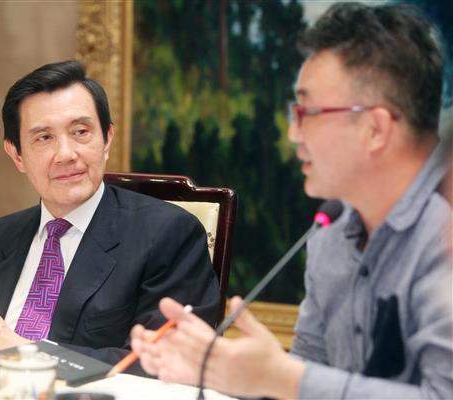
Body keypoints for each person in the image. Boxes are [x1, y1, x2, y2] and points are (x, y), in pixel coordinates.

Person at [131, 2, 453, 398]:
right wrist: (218, 373)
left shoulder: (444, 235)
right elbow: (305, 377)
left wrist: (281, 377)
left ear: (375, 128)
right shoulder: (331, 235)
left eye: (307, 112)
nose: (292, 134)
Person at [0, 61, 220, 369]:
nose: (66, 154)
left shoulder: (168, 235)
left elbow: (171, 359)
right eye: (44, 138)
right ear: (16, 155)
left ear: (107, 139)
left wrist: (23, 350)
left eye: (81, 132)